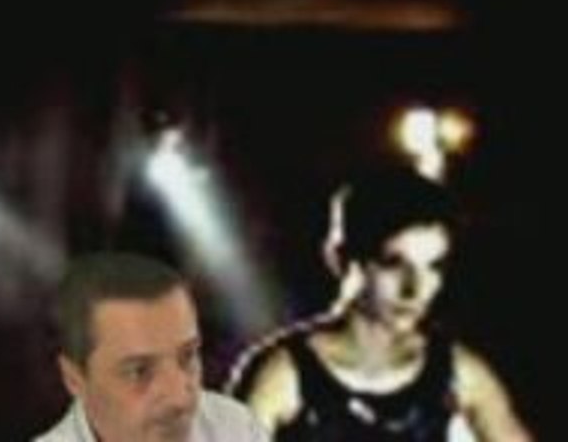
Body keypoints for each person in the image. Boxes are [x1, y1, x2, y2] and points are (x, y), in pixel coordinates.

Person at [225, 165, 532, 441]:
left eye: (434, 267)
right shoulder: (281, 377)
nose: (414, 289)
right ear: (344, 260)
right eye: (393, 263)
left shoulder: (460, 372)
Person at [36, 252, 269, 441]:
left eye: (187, 356)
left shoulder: (236, 428)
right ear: (75, 380)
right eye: (139, 371)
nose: (179, 398)